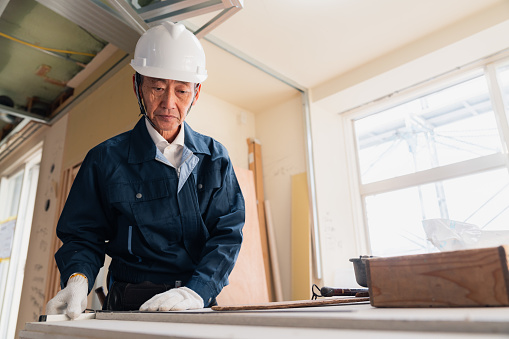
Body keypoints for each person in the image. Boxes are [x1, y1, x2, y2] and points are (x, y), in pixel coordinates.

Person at [46, 21, 245, 318]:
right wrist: (78, 278)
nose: (168, 103)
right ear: (138, 85)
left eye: (181, 91)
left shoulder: (215, 159)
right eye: (158, 87)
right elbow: (83, 235)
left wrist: (198, 290)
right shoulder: (105, 159)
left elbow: (226, 235)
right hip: (128, 301)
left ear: (196, 93)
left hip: (195, 300)